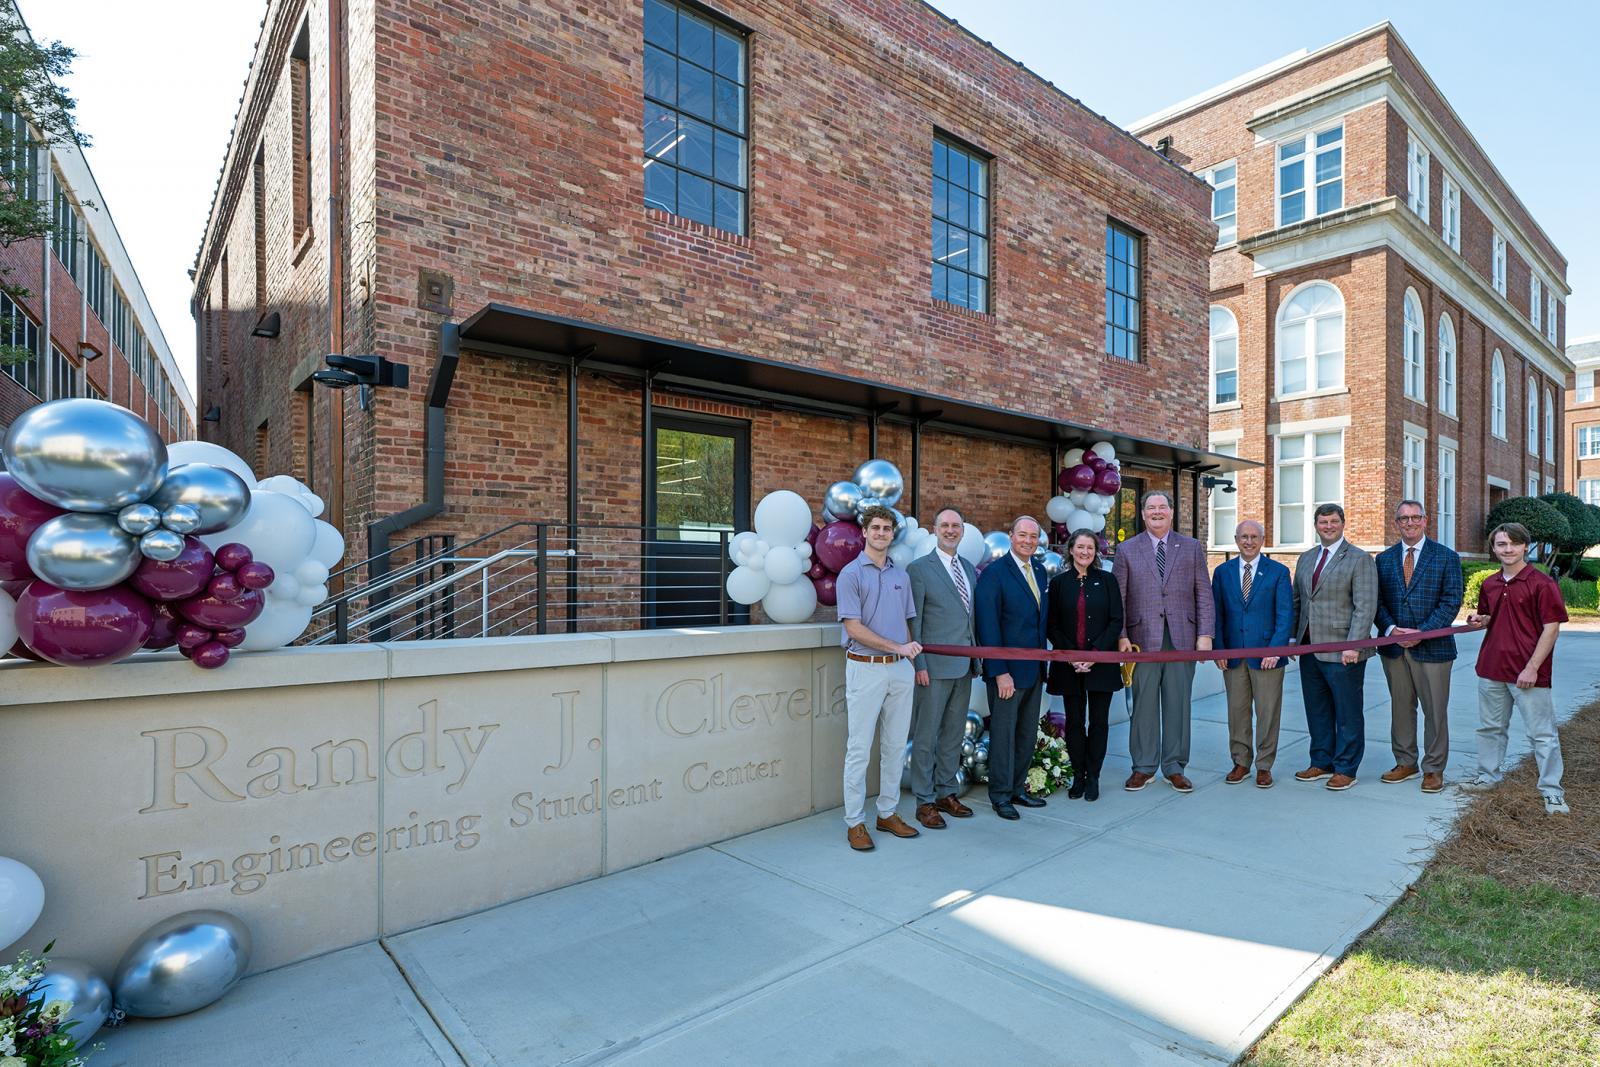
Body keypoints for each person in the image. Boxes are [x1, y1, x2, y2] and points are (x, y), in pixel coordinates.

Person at [1462, 522, 1570, 815]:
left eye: (1513, 543)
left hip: (1528, 674)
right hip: (1491, 667)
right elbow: (1490, 616)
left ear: (1525, 546)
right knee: (1490, 729)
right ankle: (1488, 776)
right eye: (1501, 544)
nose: (1507, 549)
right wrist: (1480, 620)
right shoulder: (1491, 583)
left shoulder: (1542, 584)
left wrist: (1532, 668)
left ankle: (1552, 791)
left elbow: (1551, 629)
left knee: (1542, 735)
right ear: (1494, 548)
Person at [834, 505, 924, 851]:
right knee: (859, 749)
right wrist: (897, 647)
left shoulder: (901, 576)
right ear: (865, 532)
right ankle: (855, 822)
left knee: (895, 746)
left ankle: (887, 814)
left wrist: (908, 658)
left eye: (887, 528)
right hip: (865, 667)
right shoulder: (851, 574)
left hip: (900, 669)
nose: (882, 533)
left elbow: (907, 623)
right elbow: (853, 628)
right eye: (876, 528)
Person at [1114, 490, 1213, 792]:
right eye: (1150, 508)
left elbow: (1203, 593)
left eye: (1162, 507)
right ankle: (1143, 767)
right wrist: (1121, 636)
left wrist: (1205, 635)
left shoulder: (1192, 547)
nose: (1156, 512)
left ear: (1171, 512)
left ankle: (1174, 766)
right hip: (1141, 640)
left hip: (1182, 638)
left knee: (1178, 704)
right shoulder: (1126, 549)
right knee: (1143, 705)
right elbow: (1118, 597)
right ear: (1142, 514)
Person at [1374, 499, 1463, 794]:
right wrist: (1391, 629)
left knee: (1435, 711)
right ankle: (1405, 762)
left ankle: (1434, 768)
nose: (1409, 523)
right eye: (1403, 518)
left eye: (1415, 517)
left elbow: (1451, 602)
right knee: (1401, 708)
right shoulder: (1383, 560)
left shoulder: (1446, 557)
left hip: (1433, 649)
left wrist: (1422, 632)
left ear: (1425, 521)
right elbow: (1378, 603)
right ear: (1396, 523)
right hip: (1395, 648)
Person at [1291, 503, 1378, 791]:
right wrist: (1293, 639)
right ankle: (1321, 760)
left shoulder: (1359, 559)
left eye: (1333, 521)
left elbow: (1365, 607)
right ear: (1315, 525)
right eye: (1323, 522)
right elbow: (1298, 602)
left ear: (1343, 523)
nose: (1328, 526)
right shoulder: (1305, 559)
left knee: (1347, 711)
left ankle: (1346, 767)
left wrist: (1353, 645)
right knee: (1317, 709)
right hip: (1309, 649)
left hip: (1344, 651)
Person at [974, 515, 1050, 820]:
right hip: (1007, 673)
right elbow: (987, 626)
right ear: (1011, 536)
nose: (1028, 541)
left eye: (1033, 536)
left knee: (1026, 733)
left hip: (1034, 670)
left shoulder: (1041, 572)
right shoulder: (994, 574)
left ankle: (1018, 788)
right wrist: (999, 671)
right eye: (1023, 535)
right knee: (1004, 735)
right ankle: (1001, 795)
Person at [907, 507, 979, 829]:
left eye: (956, 526)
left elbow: (969, 618)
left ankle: (946, 792)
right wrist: (918, 663)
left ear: (962, 530)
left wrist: (976, 658)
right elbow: (915, 621)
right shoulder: (919, 570)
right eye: (945, 525)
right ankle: (924, 801)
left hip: (964, 666)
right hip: (933, 668)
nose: (951, 530)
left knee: (952, 734)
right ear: (934, 529)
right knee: (926, 736)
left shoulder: (969, 568)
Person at [1211, 519, 1293, 788]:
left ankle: (1264, 765)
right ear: (1236, 540)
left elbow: (1284, 615)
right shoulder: (1222, 572)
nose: (1248, 541)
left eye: (1254, 537)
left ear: (1262, 539)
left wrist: (1275, 650)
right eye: (1243, 537)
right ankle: (1241, 762)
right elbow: (1218, 614)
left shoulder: (1278, 572)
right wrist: (1219, 649)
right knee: (1237, 711)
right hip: (1233, 655)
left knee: (1268, 712)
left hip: (1268, 657)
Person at [1046, 529, 1123, 802]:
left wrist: (1094, 653)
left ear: (1096, 552)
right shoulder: (1058, 584)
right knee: (1075, 722)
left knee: (1099, 722)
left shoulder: (1108, 581)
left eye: (1090, 548)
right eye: (1080, 547)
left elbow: (1116, 621)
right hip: (1069, 665)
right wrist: (1072, 655)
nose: (1085, 552)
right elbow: (1051, 624)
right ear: (1070, 550)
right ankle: (1078, 776)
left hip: (1101, 664)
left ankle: (1094, 777)